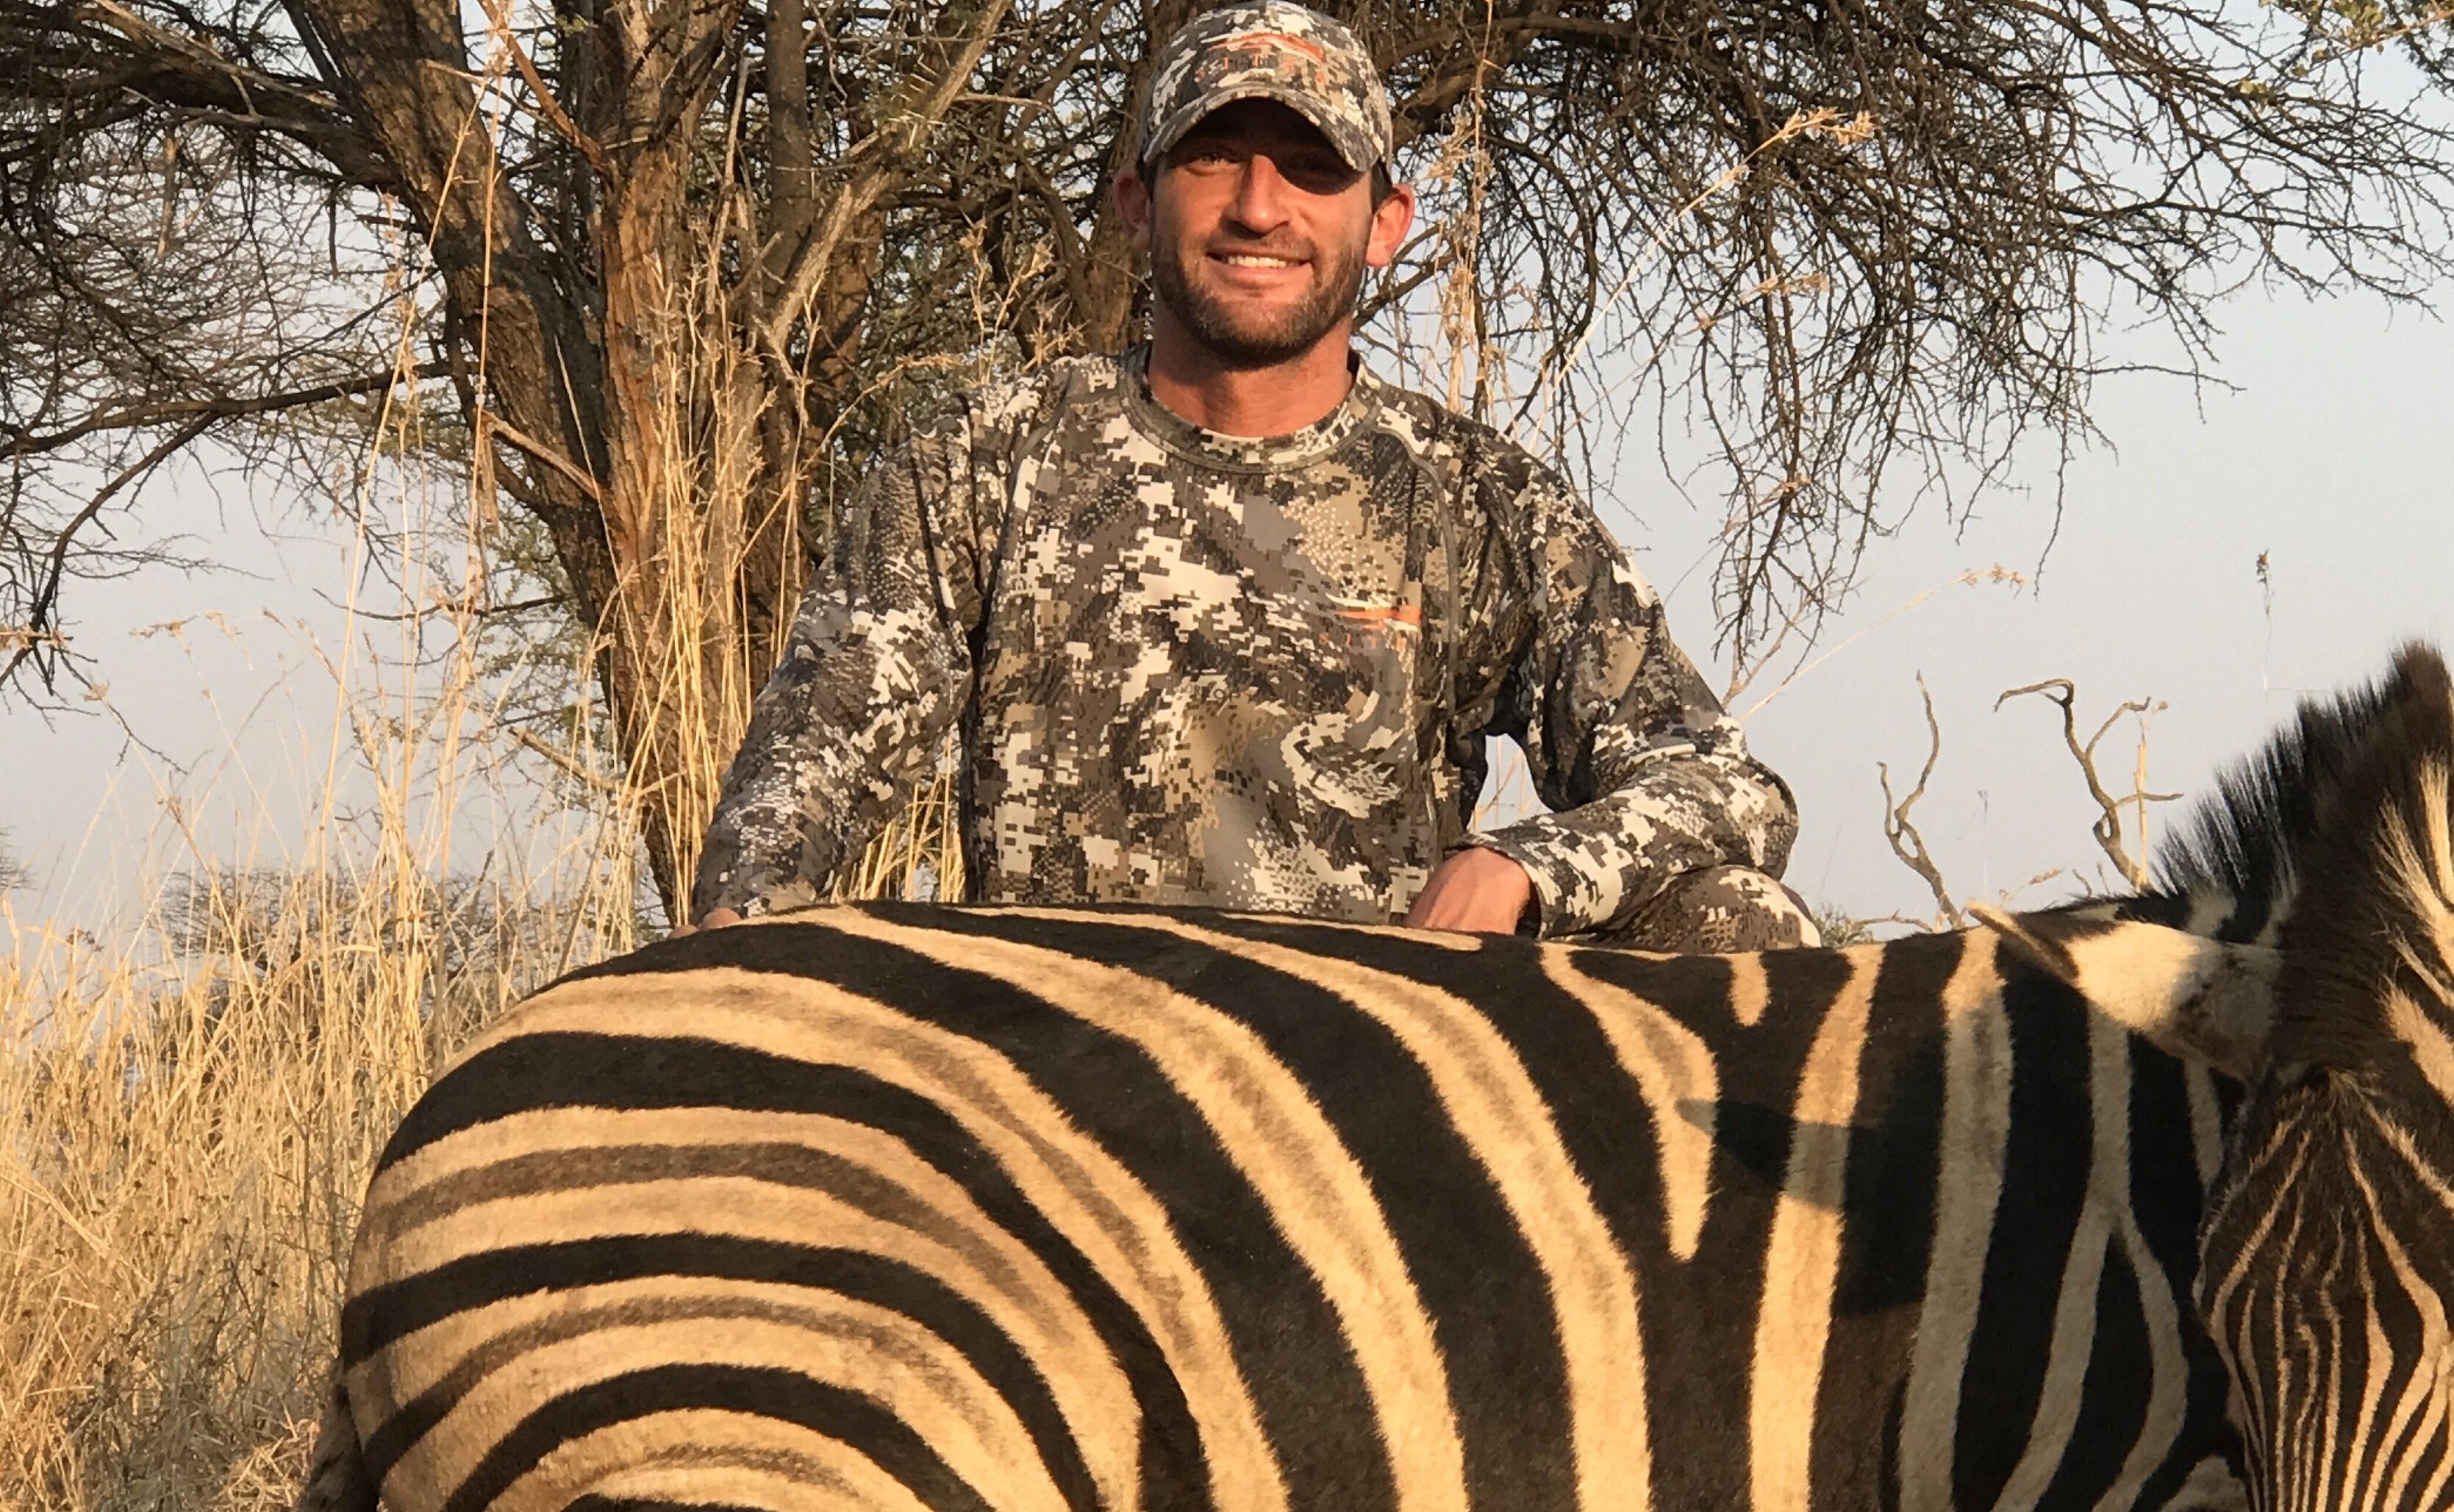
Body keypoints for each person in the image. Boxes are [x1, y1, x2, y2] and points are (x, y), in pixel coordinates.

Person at [688, 1, 1814, 952]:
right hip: (1048, 1071)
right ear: (1138, 202)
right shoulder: (982, 458)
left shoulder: (1477, 499)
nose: (1260, 208)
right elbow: (806, 776)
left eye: (1313, 169)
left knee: (1740, 921)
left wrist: (1527, 870)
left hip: (1358, 1091)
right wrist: (751, 954)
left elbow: (1725, 790)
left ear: (1384, 222)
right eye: (1215, 157)